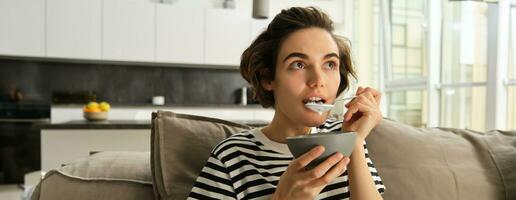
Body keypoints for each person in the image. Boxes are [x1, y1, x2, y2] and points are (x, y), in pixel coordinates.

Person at [189, 7, 385, 200]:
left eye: (329, 64)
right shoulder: (232, 156)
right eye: (298, 64)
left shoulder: (347, 136)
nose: (318, 80)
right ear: (268, 78)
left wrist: (355, 141)